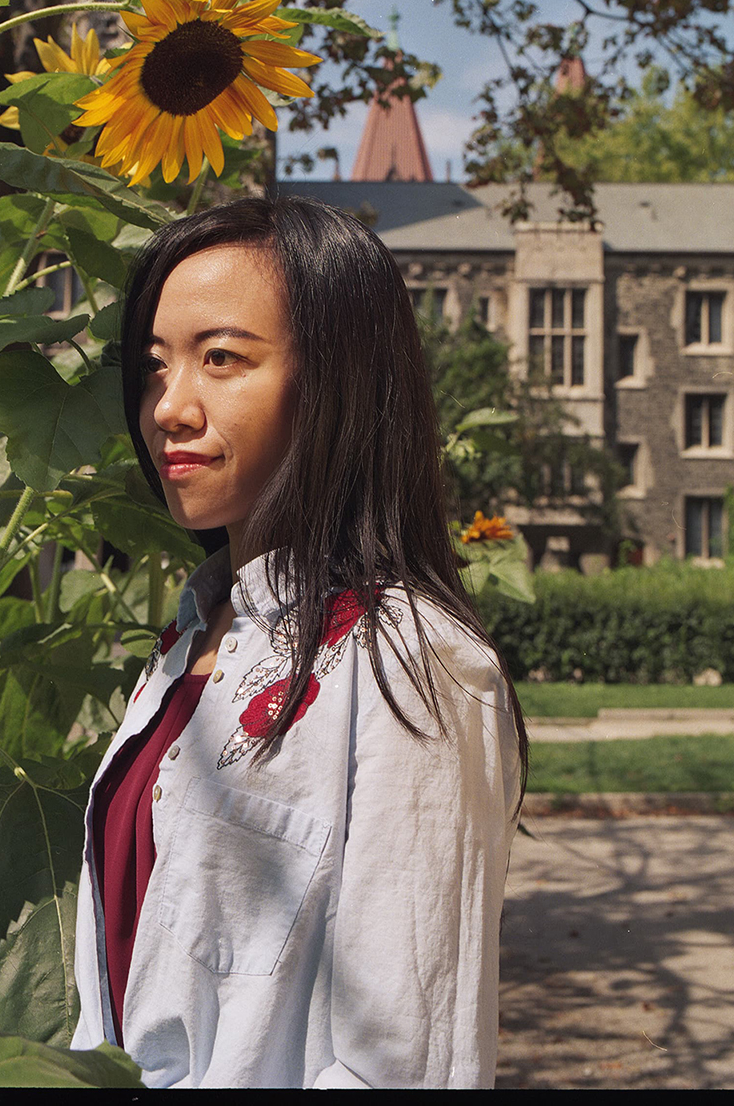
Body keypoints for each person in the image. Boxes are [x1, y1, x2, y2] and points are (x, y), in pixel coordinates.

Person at [70, 195, 529, 1089]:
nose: (168, 406)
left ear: (335, 383)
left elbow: (406, 1056)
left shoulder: (414, 662)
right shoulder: (193, 639)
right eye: (155, 367)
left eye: (222, 359)